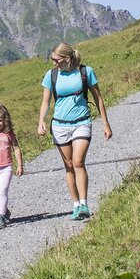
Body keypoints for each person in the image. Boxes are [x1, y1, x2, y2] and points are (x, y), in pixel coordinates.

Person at [37, 42, 112, 220]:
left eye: (56, 59)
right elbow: (46, 102)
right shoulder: (51, 75)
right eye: (53, 59)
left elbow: (98, 98)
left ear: (67, 58)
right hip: (60, 125)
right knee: (69, 166)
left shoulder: (86, 72)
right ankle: (76, 205)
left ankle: (84, 204)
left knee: (78, 162)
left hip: (82, 122)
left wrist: (106, 124)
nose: (54, 63)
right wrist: (41, 121)